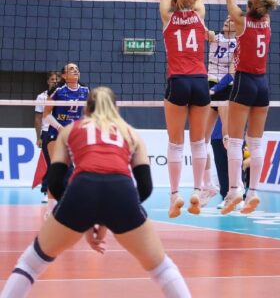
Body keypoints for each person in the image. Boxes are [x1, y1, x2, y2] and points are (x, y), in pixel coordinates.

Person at [0, 87, 191, 298]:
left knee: (30, 263)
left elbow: (54, 182)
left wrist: (78, 214)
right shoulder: (131, 133)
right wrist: (114, 215)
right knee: (162, 268)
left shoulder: (70, 130)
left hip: (82, 189)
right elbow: (145, 187)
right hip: (121, 191)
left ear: (86, 108)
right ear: (115, 107)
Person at [214, 0, 277, 215]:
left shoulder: (241, 21)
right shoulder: (266, 20)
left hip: (243, 82)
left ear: (251, 5)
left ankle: (234, 190)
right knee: (256, 142)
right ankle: (253, 193)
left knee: (234, 140)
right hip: (262, 84)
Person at [149, 0, 210, 218]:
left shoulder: (168, 17)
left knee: (175, 143)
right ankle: (197, 189)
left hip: (177, 81)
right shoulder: (200, 15)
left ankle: (175, 195)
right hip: (200, 81)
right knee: (198, 142)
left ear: (174, 1)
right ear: (193, 0)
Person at [43, 63, 89, 212]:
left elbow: (87, 113)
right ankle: (51, 209)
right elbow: (46, 114)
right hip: (56, 133)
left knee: (76, 171)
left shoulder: (85, 90)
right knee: (57, 170)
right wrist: (60, 128)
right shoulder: (58, 90)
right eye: (71, 69)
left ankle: (70, 203)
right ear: (64, 75)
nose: (75, 70)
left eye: (77, 69)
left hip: (75, 135)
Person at [201, 16, 237, 206]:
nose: (227, 20)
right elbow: (199, 27)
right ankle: (208, 185)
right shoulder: (214, 37)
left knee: (228, 139)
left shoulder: (238, 44)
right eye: (226, 18)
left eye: (232, 20)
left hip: (224, 89)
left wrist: (215, 90)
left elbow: (231, 73)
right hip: (209, 86)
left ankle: (234, 190)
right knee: (201, 141)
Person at [34, 71, 60, 203]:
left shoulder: (63, 96)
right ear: (48, 81)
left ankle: (61, 191)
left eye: (57, 79)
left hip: (61, 132)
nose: (55, 82)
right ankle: (46, 191)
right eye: (52, 79)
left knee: (62, 164)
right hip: (46, 133)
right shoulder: (41, 97)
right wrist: (38, 137)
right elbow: (38, 118)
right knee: (50, 163)